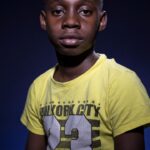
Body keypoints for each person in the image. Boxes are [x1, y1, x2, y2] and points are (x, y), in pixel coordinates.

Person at [20, 0, 150, 149]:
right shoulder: (39, 87)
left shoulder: (121, 82)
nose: (70, 21)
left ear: (101, 21)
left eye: (85, 11)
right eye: (58, 11)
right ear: (44, 20)